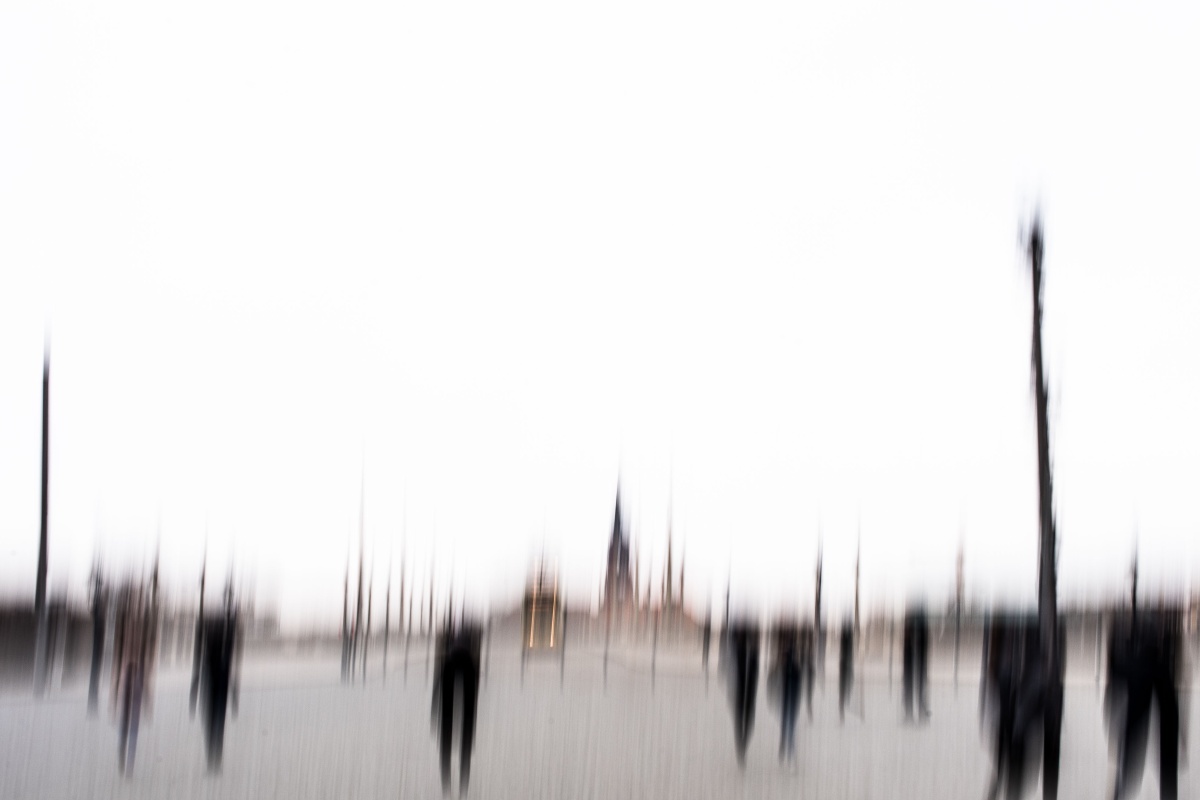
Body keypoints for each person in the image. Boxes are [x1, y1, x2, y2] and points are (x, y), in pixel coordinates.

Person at [1106, 607, 1188, 800]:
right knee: (1153, 758)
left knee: (1136, 756)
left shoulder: (1133, 617)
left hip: (1147, 671)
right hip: (1149, 670)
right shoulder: (1154, 618)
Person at [190, 584, 242, 773]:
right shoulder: (226, 630)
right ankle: (215, 760)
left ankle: (212, 760)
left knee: (211, 720)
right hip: (220, 675)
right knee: (217, 720)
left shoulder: (209, 627)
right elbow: (231, 652)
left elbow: (199, 654)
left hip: (211, 676)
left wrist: (194, 688)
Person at [111, 581, 157, 776]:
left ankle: (127, 761)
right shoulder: (137, 627)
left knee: (130, 723)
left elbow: (146, 659)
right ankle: (126, 760)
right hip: (132, 674)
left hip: (133, 674)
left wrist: (147, 695)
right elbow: (119, 658)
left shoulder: (135, 626)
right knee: (129, 723)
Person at [432, 620, 482, 796]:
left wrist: (434, 713)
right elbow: (473, 699)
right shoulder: (471, 665)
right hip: (466, 714)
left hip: (448, 709)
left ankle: (447, 788)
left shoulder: (448, 662)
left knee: (446, 743)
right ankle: (463, 789)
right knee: (465, 745)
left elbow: (437, 689)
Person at [722, 620, 760, 767]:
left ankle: (743, 746)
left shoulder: (755, 655)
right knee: (739, 724)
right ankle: (740, 749)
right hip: (738, 695)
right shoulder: (736, 653)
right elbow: (729, 672)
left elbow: (756, 676)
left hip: (750, 696)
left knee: (749, 724)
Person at [771, 622, 802, 762]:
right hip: (786, 686)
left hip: (792, 684)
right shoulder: (782, 650)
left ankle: (785, 746)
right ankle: (788, 748)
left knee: (790, 718)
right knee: (788, 718)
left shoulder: (794, 647)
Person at [902, 606, 930, 721]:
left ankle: (912, 712)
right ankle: (917, 711)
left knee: (912, 671)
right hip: (917, 620)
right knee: (918, 671)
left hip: (915, 619)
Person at [838, 620, 854, 722]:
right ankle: (842, 712)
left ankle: (842, 711)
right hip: (845, 667)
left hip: (846, 666)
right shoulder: (846, 645)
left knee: (846, 688)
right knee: (844, 690)